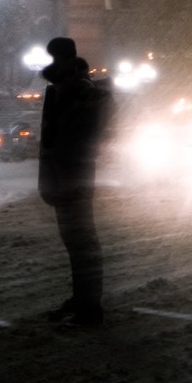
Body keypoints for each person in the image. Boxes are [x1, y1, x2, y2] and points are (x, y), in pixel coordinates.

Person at [37, 35, 112, 328]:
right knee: (75, 242)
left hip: (75, 176)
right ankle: (83, 299)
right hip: (63, 176)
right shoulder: (62, 90)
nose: (53, 61)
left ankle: (90, 308)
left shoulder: (82, 93)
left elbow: (80, 136)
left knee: (82, 242)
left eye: (57, 56)